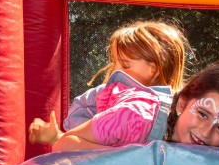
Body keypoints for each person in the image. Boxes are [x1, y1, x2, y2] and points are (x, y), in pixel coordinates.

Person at [29, 20, 189, 147]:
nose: (115, 72)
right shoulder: (112, 101)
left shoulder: (146, 111)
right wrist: (57, 137)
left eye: (125, 65)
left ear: (154, 69)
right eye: (114, 63)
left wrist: (59, 138)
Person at [40, 64, 219, 152]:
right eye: (203, 114)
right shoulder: (134, 118)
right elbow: (64, 145)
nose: (206, 133)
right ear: (182, 102)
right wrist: (132, 158)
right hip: (94, 111)